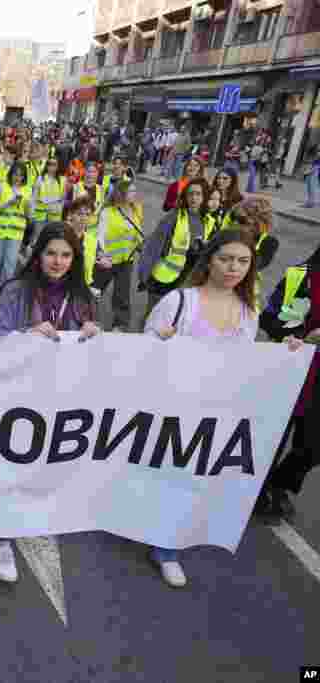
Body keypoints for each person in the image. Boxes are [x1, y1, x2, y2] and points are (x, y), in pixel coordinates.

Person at [143, 229, 300, 586]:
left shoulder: (247, 312)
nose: (233, 268)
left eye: (243, 261)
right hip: (172, 407)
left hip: (215, 411)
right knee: (162, 475)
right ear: (209, 260)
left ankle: (166, 547)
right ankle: (145, 525)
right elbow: (142, 353)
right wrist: (158, 342)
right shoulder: (180, 301)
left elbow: (246, 364)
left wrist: (287, 354)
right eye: (226, 259)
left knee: (190, 479)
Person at [0, 224, 101, 582]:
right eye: (51, 253)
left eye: (66, 255)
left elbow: (92, 353)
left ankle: (33, 518)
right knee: (13, 463)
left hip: (61, 394)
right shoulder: (16, 290)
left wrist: (94, 336)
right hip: (19, 392)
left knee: (45, 463)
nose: (58, 261)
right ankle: (3, 540)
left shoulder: (84, 296)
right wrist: (26, 335)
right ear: (38, 255)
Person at [257, 243, 320, 520]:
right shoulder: (300, 275)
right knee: (272, 438)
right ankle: (255, 490)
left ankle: (281, 483)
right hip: (291, 371)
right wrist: (304, 336)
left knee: (313, 446)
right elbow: (269, 319)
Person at [138, 178, 209, 318]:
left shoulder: (206, 220)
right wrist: (144, 275)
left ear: (204, 197)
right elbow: (154, 247)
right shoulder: (174, 216)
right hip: (163, 278)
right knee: (154, 316)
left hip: (186, 280)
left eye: (198, 194)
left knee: (173, 318)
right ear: (185, 196)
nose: (194, 198)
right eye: (190, 194)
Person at [94, 180, 143, 331]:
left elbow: (137, 233)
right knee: (95, 290)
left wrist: (142, 246)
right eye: (131, 191)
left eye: (134, 191)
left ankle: (120, 324)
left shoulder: (135, 211)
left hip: (126, 260)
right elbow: (100, 236)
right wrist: (101, 255)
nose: (134, 194)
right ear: (121, 193)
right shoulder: (107, 212)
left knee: (122, 294)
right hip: (107, 260)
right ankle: (85, 315)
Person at [0, 162, 32, 292]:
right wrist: (9, 203)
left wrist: (27, 206)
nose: (18, 178)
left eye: (21, 175)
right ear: (11, 174)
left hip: (16, 232)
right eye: (15, 174)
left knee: (10, 264)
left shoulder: (28, 190)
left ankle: (4, 288)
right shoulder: (1, 187)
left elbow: (28, 215)